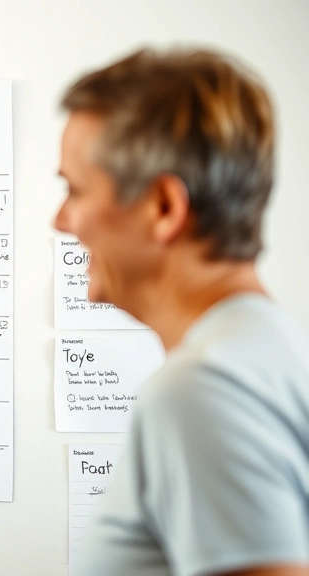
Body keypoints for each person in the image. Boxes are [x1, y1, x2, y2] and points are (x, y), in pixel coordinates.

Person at [56, 47, 309, 576]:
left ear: (164, 208)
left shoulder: (202, 388)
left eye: (75, 189)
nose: (61, 220)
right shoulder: (273, 346)